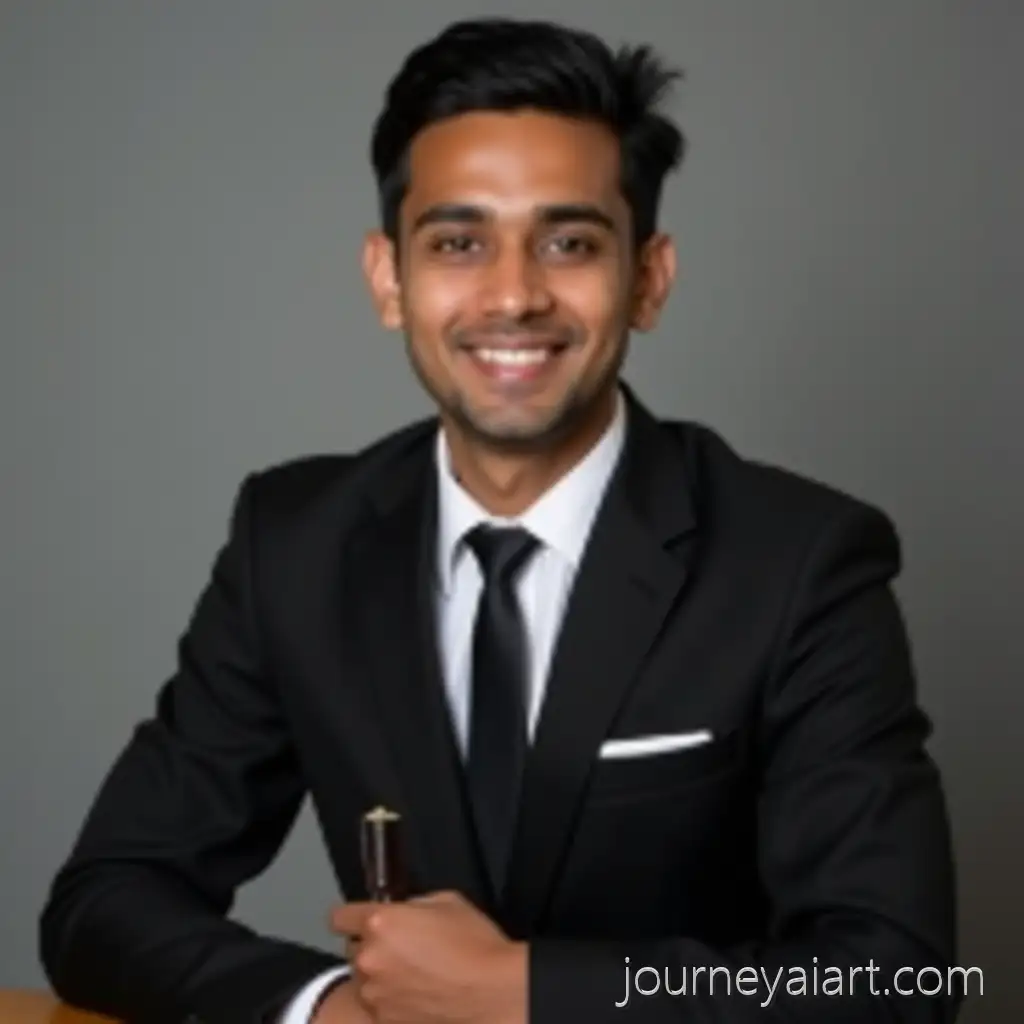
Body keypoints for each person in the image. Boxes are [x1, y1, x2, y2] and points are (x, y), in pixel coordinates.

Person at [39, 16, 960, 1024]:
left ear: (646, 278)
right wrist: (325, 1006)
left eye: (568, 242)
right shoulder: (292, 543)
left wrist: (525, 992)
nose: (513, 294)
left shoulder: (799, 562)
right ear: (390, 279)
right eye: (457, 242)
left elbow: (891, 979)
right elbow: (105, 902)